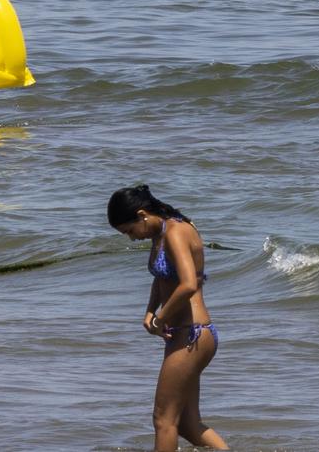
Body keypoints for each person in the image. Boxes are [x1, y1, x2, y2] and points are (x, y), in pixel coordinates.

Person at [107, 186, 228, 452]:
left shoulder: (175, 232)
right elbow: (163, 277)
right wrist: (150, 310)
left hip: (192, 334)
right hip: (189, 334)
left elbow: (187, 284)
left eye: (129, 230)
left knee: (163, 420)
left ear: (142, 215)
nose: (130, 238)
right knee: (187, 424)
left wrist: (161, 319)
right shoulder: (160, 233)